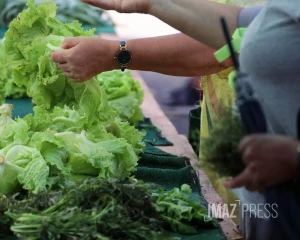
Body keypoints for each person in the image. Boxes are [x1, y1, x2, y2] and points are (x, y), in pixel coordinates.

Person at [51, 0, 267, 227]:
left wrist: (116, 54)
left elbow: (229, 44)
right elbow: (232, 23)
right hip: (235, 145)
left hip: (270, 162)